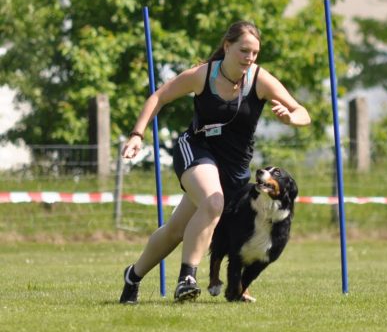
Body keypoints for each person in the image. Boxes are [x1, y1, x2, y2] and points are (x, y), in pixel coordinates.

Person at [119, 21, 311, 303]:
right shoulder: (202, 75)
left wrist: (291, 118)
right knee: (214, 202)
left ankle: (132, 276)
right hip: (196, 149)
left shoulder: (260, 79)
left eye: (255, 53)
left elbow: (302, 112)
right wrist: (137, 134)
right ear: (227, 47)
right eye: (244, 50)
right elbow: (159, 97)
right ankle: (187, 278)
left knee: (176, 231)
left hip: (233, 169)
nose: (250, 58)